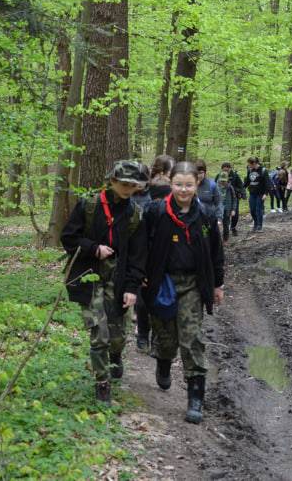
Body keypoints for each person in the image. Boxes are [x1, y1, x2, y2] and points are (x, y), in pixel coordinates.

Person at [143, 161, 225, 423]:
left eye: (188, 185)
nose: (183, 189)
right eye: (178, 184)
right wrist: (142, 275)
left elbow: (216, 253)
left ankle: (195, 398)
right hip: (162, 282)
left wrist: (217, 284)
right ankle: (163, 361)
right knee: (167, 336)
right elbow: (142, 245)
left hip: (193, 283)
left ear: (196, 184)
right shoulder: (156, 211)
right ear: (170, 182)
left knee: (192, 338)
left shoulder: (207, 215)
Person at [61, 161, 148, 404]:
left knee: (117, 334)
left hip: (118, 279)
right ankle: (102, 383)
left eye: (132, 185)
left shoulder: (135, 214)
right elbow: (68, 237)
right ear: (111, 180)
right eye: (124, 183)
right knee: (99, 334)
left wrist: (132, 288)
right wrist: (93, 248)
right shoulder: (89, 205)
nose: (128, 188)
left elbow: (138, 255)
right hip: (88, 277)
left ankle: (116, 356)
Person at [134, 155, 174, 353]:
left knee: (161, 303)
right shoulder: (146, 212)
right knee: (142, 302)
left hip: (165, 265)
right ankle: (142, 333)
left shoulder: (174, 214)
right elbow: (138, 241)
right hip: (145, 262)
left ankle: (158, 339)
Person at [244, 156, 270, 232]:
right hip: (252, 193)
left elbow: (267, 183)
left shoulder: (263, 170)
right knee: (252, 209)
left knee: (258, 209)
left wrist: (266, 193)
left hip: (261, 193)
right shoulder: (249, 170)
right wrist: (242, 188)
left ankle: (259, 225)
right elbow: (248, 181)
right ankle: (255, 223)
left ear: (254, 163)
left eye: (250, 164)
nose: (249, 166)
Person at [221, 162, 246, 236]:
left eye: (227, 170)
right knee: (224, 214)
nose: (225, 172)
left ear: (230, 169)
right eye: (224, 170)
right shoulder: (219, 176)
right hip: (223, 198)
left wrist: (243, 194)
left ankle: (233, 227)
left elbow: (241, 185)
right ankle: (225, 229)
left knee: (235, 214)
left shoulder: (235, 176)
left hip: (234, 197)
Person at [216, 171, 238, 242]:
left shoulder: (230, 188)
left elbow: (234, 199)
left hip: (227, 209)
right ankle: (217, 240)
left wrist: (233, 209)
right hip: (218, 209)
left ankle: (225, 240)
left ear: (227, 180)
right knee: (217, 225)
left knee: (226, 225)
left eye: (224, 181)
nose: (223, 182)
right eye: (221, 181)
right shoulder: (215, 187)